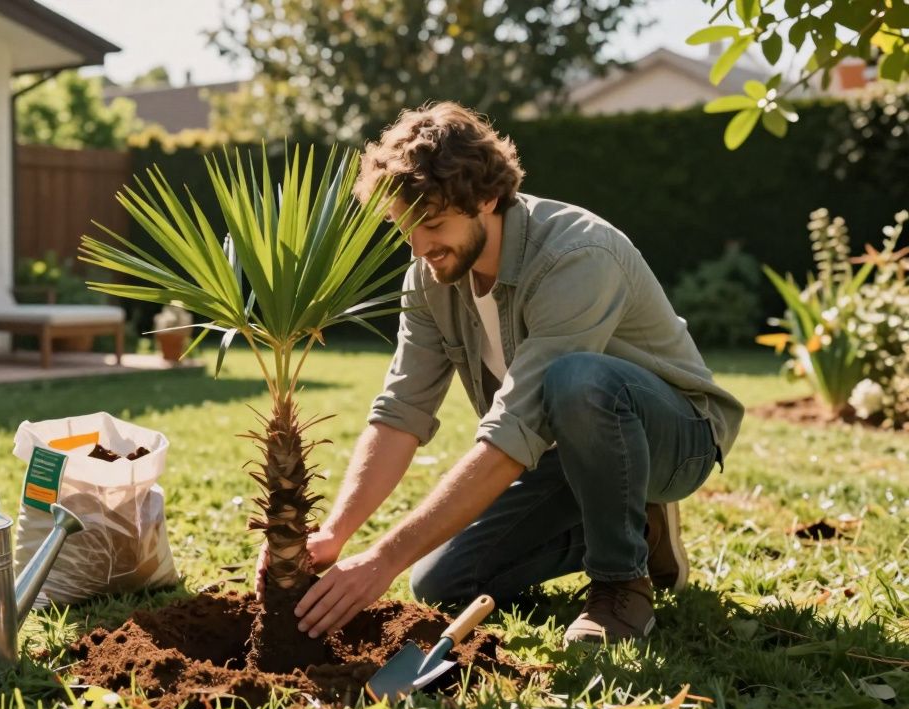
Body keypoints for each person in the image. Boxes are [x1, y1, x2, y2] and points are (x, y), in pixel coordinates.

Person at [265, 101, 744, 645]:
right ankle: (639, 523)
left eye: (434, 224)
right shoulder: (429, 278)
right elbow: (401, 411)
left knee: (577, 380)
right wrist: (336, 533)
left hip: (676, 438)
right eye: (404, 227)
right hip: (566, 453)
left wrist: (381, 560)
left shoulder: (577, 254)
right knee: (442, 582)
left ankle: (621, 588)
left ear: (487, 198)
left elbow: (513, 434)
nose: (419, 248)